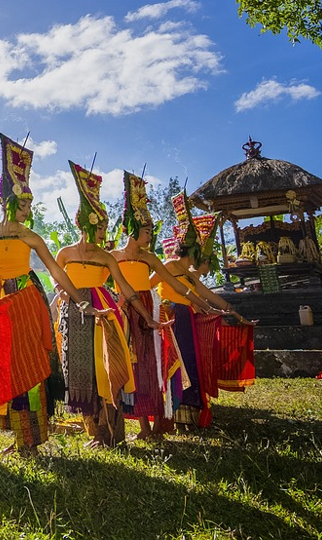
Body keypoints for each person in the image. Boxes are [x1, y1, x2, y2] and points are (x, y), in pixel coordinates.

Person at [0, 135, 94, 455]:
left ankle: (32, 440)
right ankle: (19, 437)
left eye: (29, 204)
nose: (28, 209)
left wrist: (78, 296)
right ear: (7, 202)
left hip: (26, 300)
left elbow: (55, 271)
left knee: (31, 364)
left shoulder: (31, 236)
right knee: (8, 367)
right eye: (23, 203)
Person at [54, 161, 158, 448]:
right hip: (73, 313)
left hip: (103, 311)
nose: (104, 231)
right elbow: (58, 281)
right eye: (100, 226)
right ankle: (94, 430)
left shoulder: (107, 257)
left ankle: (110, 433)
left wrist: (145, 317)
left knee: (105, 368)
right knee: (79, 370)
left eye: (106, 226)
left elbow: (125, 289)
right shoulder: (65, 253)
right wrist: (63, 293)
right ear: (87, 222)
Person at [112, 172, 219, 441]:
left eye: (150, 230)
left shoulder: (151, 258)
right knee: (130, 367)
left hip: (149, 308)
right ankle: (135, 427)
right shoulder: (112, 256)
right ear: (134, 230)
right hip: (123, 310)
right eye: (147, 231)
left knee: (152, 366)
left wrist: (201, 305)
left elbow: (179, 285)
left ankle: (154, 424)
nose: (150, 235)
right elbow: (99, 282)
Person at [160, 202, 254, 430]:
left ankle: (188, 413)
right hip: (168, 317)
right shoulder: (168, 266)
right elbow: (151, 285)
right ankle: (170, 413)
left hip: (187, 320)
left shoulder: (189, 275)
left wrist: (233, 311)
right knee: (172, 363)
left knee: (190, 362)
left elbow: (208, 295)